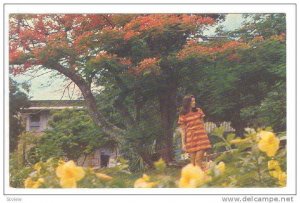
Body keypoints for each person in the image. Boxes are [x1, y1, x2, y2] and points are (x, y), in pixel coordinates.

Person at [177, 94, 212, 170]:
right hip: (191, 140)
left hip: (201, 138)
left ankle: (200, 180)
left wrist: (206, 138)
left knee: (198, 160)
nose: (194, 102)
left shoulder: (199, 111)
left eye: (194, 101)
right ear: (187, 103)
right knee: (192, 164)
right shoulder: (183, 114)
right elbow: (183, 131)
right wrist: (183, 144)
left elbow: (203, 125)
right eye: (192, 101)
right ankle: (203, 176)